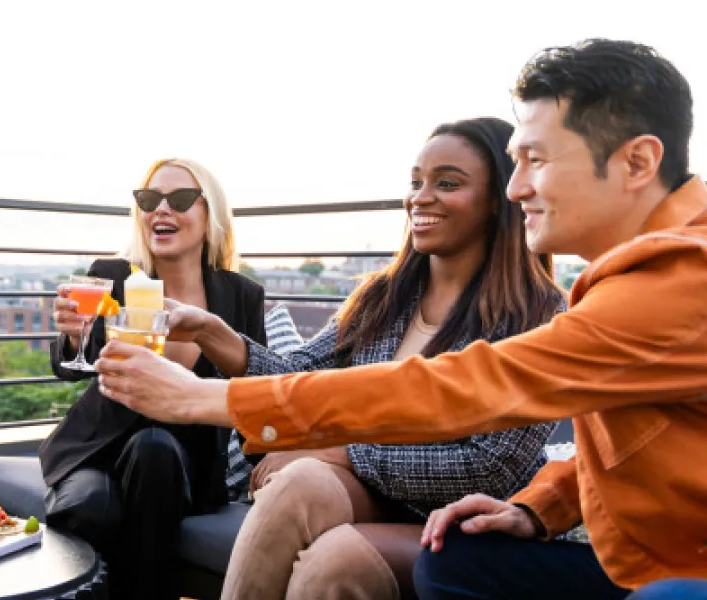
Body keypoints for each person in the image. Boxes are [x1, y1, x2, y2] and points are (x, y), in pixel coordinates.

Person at [92, 39, 707, 599]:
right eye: (516, 163)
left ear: (637, 163)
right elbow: (628, 447)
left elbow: (461, 389)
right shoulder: (390, 296)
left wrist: (205, 400)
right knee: (317, 491)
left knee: (338, 550)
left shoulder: (667, 288)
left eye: (537, 161)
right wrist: (540, 507)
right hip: (598, 549)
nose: (519, 188)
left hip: (644, 566)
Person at [172, 117, 560, 600]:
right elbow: (300, 374)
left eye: (447, 183)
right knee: (300, 482)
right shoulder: (383, 297)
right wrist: (210, 331)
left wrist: (340, 452)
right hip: (374, 493)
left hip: (465, 514)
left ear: (499, 200)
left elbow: (490, 466)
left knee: (334, 559)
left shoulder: (538, 315)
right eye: (416, 182)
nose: (420, 198)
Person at [39, 158, 266, 600]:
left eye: (179, 199)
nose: (160, 209)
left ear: (210, 214)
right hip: (99, 450)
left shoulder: (241, 296)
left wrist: (272, 461)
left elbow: (253, 383)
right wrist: (73, 338)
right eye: (149, 199)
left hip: (183, 463)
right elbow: (70, 366)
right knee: (89, 505)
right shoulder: (114, 277)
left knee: (155, 447)